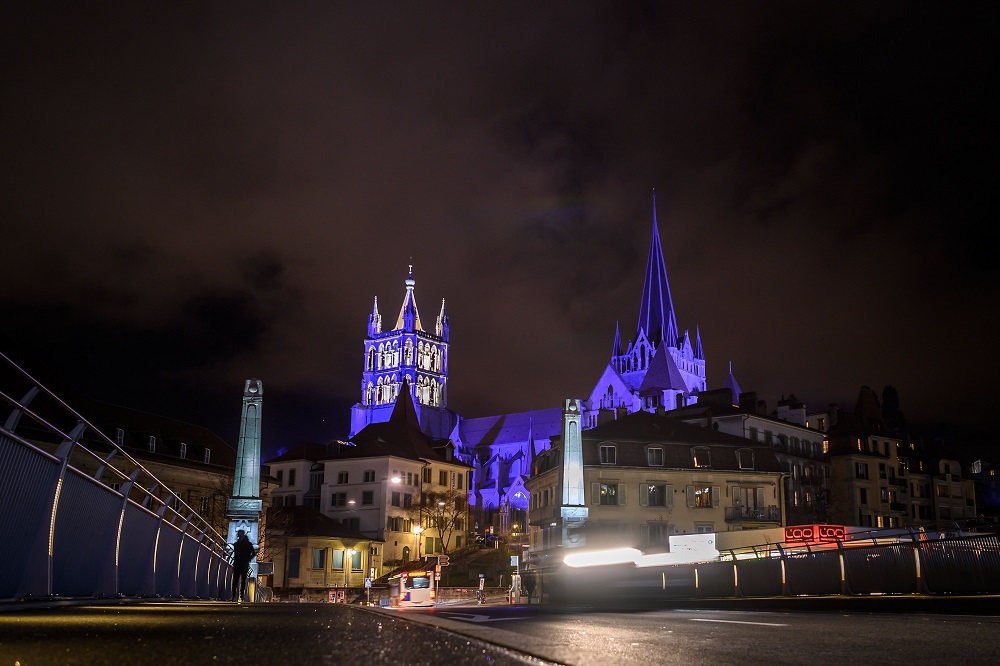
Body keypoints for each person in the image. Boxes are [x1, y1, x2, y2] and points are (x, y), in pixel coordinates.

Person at [231, 529, 257, 602]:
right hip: (241, 563)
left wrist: (248, 559)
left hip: (241, 563)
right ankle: (236, 596)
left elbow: (253, 554)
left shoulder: (238, 544)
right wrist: (248, 559)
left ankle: (238, 596)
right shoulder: (247, 544)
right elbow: (253, 554)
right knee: (238, 580)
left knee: (240, 580)